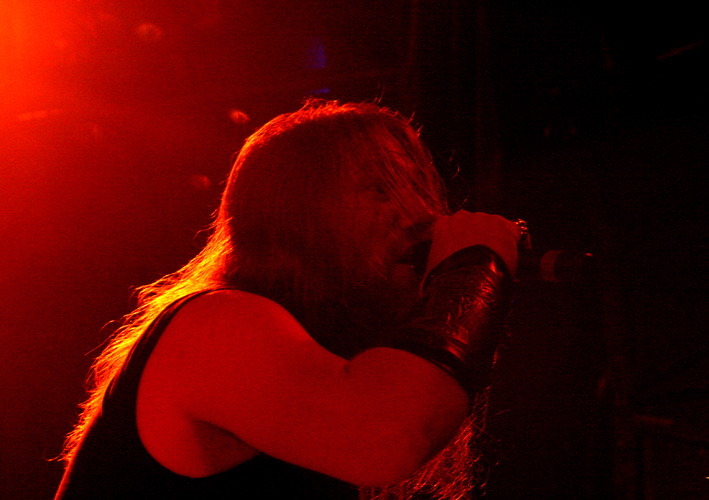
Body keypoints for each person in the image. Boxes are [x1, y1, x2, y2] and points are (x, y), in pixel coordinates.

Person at [54, 100, 523, 499]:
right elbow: (387, 436)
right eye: (380, 188)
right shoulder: (215, 326)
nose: (416, 214)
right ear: (301, 216)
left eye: (417, 188)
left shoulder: (327, 358)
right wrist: (475, 265)